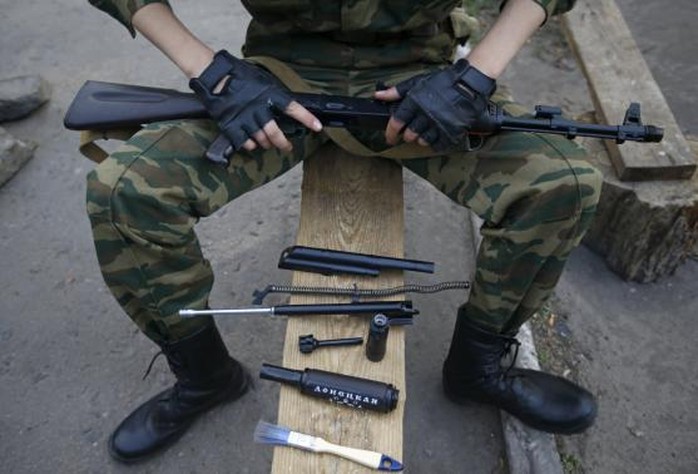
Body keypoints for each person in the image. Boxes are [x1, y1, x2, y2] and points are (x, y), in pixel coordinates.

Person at [86, 0, 601, 463]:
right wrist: (215, 75)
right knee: (125, 192)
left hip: (420, 81)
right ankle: (204, 377)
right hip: (277, 82)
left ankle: (478, 368)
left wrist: (473, 79)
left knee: (564, 186)